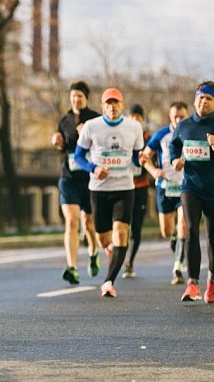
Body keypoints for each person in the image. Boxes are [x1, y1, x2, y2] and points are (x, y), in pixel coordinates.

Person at [170, 81, 214, 304]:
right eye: (201, 97)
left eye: (209, 99)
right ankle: (192, 283)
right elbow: (174, 146)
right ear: (195, 99)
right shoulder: (183, 126)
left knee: (212, 237)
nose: (204, 101)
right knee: (191, 230)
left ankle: (213, 278)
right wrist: (175, 161)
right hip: (190, 186)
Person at [74, 87, 144, 297]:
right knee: (104, 239)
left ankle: (108, 282)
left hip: (124, 188)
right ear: (103, 106)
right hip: (99, 189)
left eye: (115, 103)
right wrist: (93, 169)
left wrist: (140, 160)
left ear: (122, 105)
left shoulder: (134, 127)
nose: (112, 107)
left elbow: (135, 156)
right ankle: (112, 252)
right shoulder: (91, 126)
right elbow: (78, 157)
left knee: (121, 233)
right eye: (108, 103)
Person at [51, 81, 100, 285]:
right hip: (69, 176)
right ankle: (72, 267)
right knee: (72, 221)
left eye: (80, 96)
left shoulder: (95, 119)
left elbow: (102, 145)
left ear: (86, 98)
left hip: (90, 178)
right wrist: (58, 143)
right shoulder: (64, 121)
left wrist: (88, 134)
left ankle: (93, 251)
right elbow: (63, 147)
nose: (76, 100)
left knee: (88, 223)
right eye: (73, 96)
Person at [143, 101, 189, 285]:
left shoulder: (191, 133)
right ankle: (174, 239)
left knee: (183, 224)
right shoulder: (161, 135)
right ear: (170, 117)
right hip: (165, 187)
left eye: (182, 116)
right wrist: (154, 171)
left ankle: (177, 266)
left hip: (185, 186)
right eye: (175, 116)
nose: (178, 119)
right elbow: (144, 157)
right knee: (167, 230)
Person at [122, 104, 151, 278]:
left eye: (138, 118)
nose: (135, 121)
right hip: (122, 186)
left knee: (136, 227)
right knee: (121, 224)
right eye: (132, 117)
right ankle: (118, 252)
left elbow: (155, 155)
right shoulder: (121, 135)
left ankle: (130, 262)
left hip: (141, 187)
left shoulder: (148, 138)